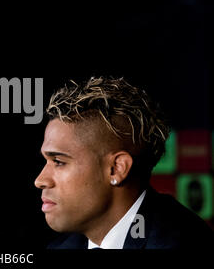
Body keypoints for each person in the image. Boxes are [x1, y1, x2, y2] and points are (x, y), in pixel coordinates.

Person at [35, 77, 213, 249]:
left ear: (116, 169)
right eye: (47, 161)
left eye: (58, 162)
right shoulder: (64, 246)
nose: (40, 180)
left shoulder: (182, 242)